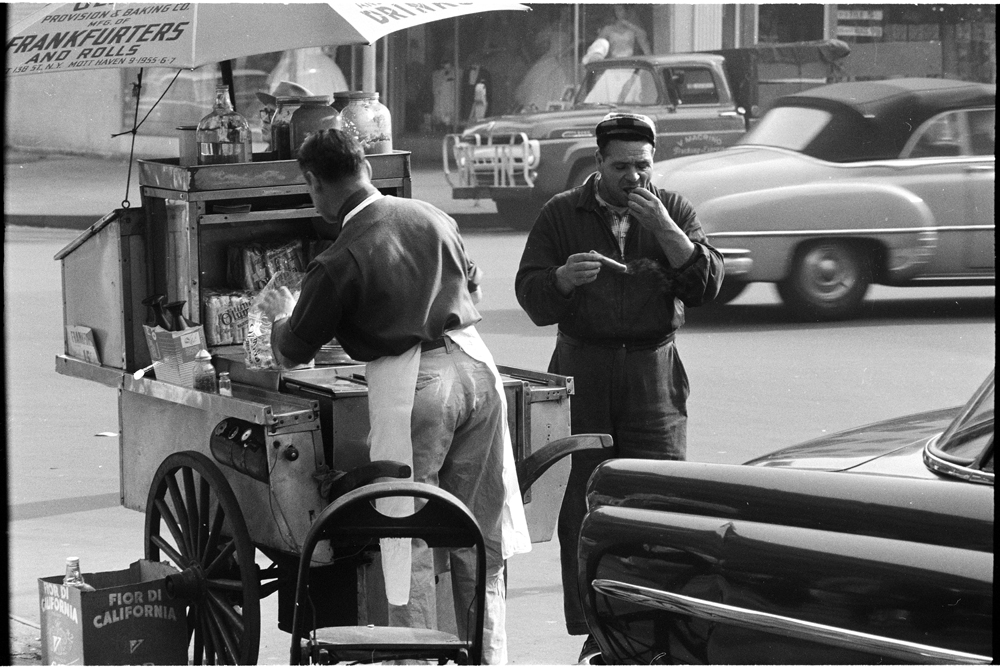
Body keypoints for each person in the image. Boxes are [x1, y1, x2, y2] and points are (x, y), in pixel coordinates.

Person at [259, 129, 531, 664]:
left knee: (407, 531)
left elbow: (293, 351)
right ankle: (487, 657)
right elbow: (471, 288)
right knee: (477, 530)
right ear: (364, 165)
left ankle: (414, 660)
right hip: (477, 369)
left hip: (418, 388)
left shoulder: (340, 258)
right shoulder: (432, 215)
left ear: (314, 182)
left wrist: (277, 316)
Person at [513, 112, 724, 662]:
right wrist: (560, 279)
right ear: (599, 164)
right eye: (622, 166)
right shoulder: (562, 213)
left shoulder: (672, 209)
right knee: (583, 506)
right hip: (583, 370)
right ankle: (596, 630)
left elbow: (707, 284)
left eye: (643, 166)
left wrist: (668, 233)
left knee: (662, 498)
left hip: (654, 375)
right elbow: (531, 296)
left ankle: (661, 624)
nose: (635, 177)